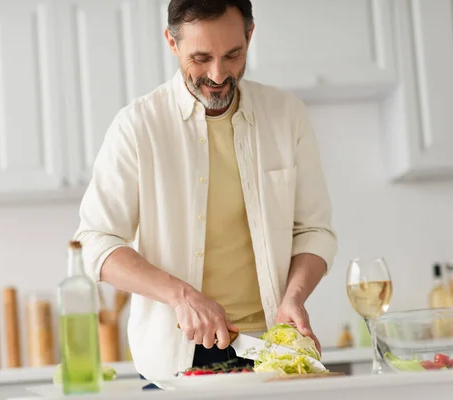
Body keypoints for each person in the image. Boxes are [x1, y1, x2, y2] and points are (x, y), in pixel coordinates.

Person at [73, 0, 337, 381]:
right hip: (177, 362)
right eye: (201, 58)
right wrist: (181, 296)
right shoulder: (137, 126)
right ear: (172, 42)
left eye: (233, 55)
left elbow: (314, 230)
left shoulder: (285, 115)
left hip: (274, 351)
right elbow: (95, 242)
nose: (218, 74)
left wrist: (293, 298)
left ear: (250, 35)